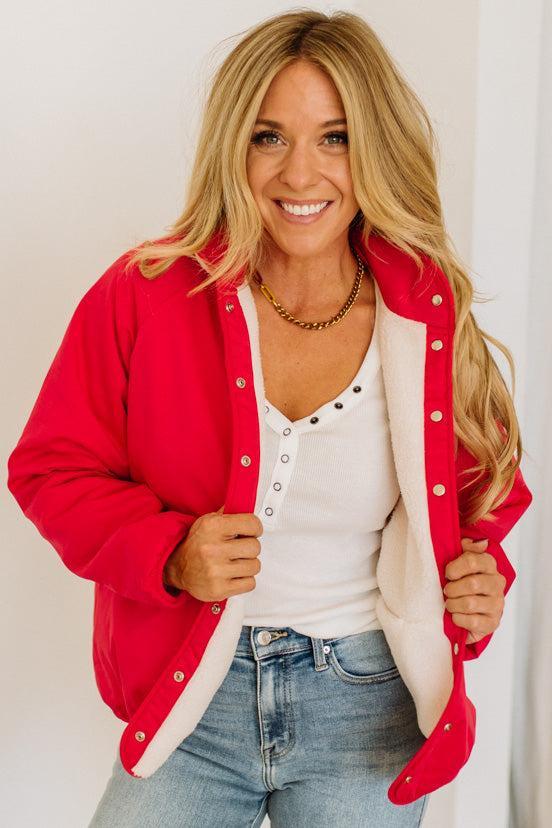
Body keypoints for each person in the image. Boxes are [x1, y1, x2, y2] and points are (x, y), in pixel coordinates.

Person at [6, 9, 533, 827]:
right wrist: (171, 552)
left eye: (335, 137)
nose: (300, 173)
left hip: (370, 709)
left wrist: (482, 579)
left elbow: (482, 492)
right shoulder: (145, 292)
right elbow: (49, 468)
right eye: (267, 136)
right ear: (232, 144)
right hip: (194, 700)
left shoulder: (426, 307)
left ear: (375, 148)